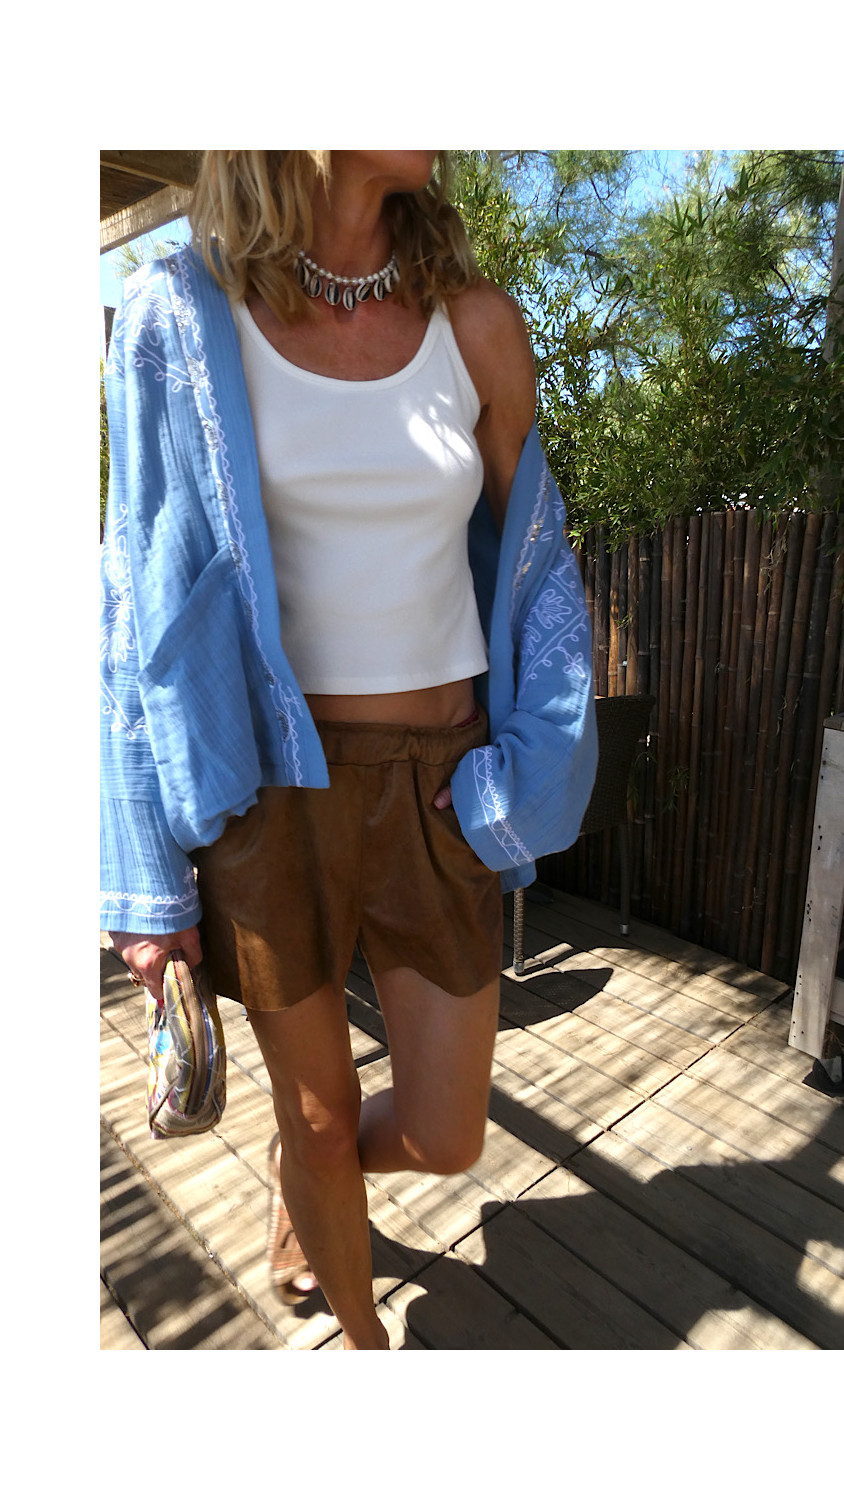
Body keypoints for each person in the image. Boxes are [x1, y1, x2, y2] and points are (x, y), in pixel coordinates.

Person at [100, 150, 598, 1350]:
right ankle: (361, 1345)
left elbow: (537, 572)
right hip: (271, 787)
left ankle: (303, 1180)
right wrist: (142, 882)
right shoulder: (181, 318)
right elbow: (134, 601)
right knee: (320, 1119)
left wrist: (532, 766)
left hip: (440, 781)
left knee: (446, 1134)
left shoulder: (477, 327)